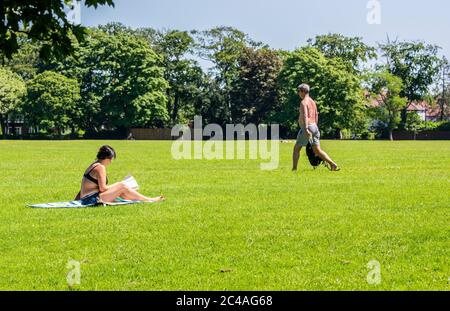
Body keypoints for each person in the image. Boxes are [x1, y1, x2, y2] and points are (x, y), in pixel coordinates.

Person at [78, 145, 165, 205]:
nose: (111, 162)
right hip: (91, 200)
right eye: (111, 159)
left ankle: (142, 200)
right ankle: (150, 200)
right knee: (122, 186)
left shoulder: (94, 165)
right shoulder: (100, 167)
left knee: (121, 189)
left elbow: (85, 186)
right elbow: (103, 188)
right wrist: (118, 184)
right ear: (107, 158)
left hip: (87, 199)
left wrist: (77, 200)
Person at [292, 84, 340, 172]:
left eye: (299, 91)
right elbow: (316, 115)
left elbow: (305, 115)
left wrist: (306, 128)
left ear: (303, 91)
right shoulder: (312, 102)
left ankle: (294, 169)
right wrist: (315, 127)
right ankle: (332, 164)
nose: (298, 93)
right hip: (314, 126)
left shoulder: (303, 102)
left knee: (296, 148)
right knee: (317, 150)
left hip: (308, 127)